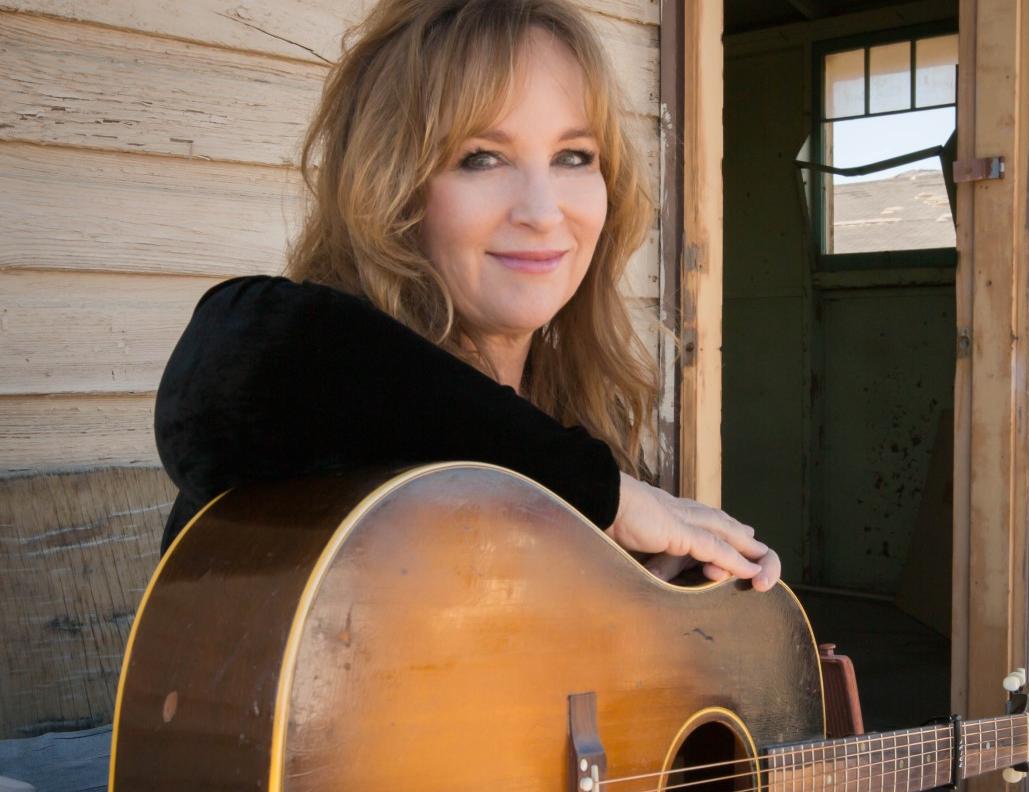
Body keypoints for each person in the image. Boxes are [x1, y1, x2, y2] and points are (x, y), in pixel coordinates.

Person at [153, 0, 781, 592]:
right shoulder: (312, 407)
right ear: (393, 190)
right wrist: (603, 496)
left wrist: (660, 601)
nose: (542, 211)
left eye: (573, 155)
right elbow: (229, 372)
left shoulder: (572, 416)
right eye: (481, 158)